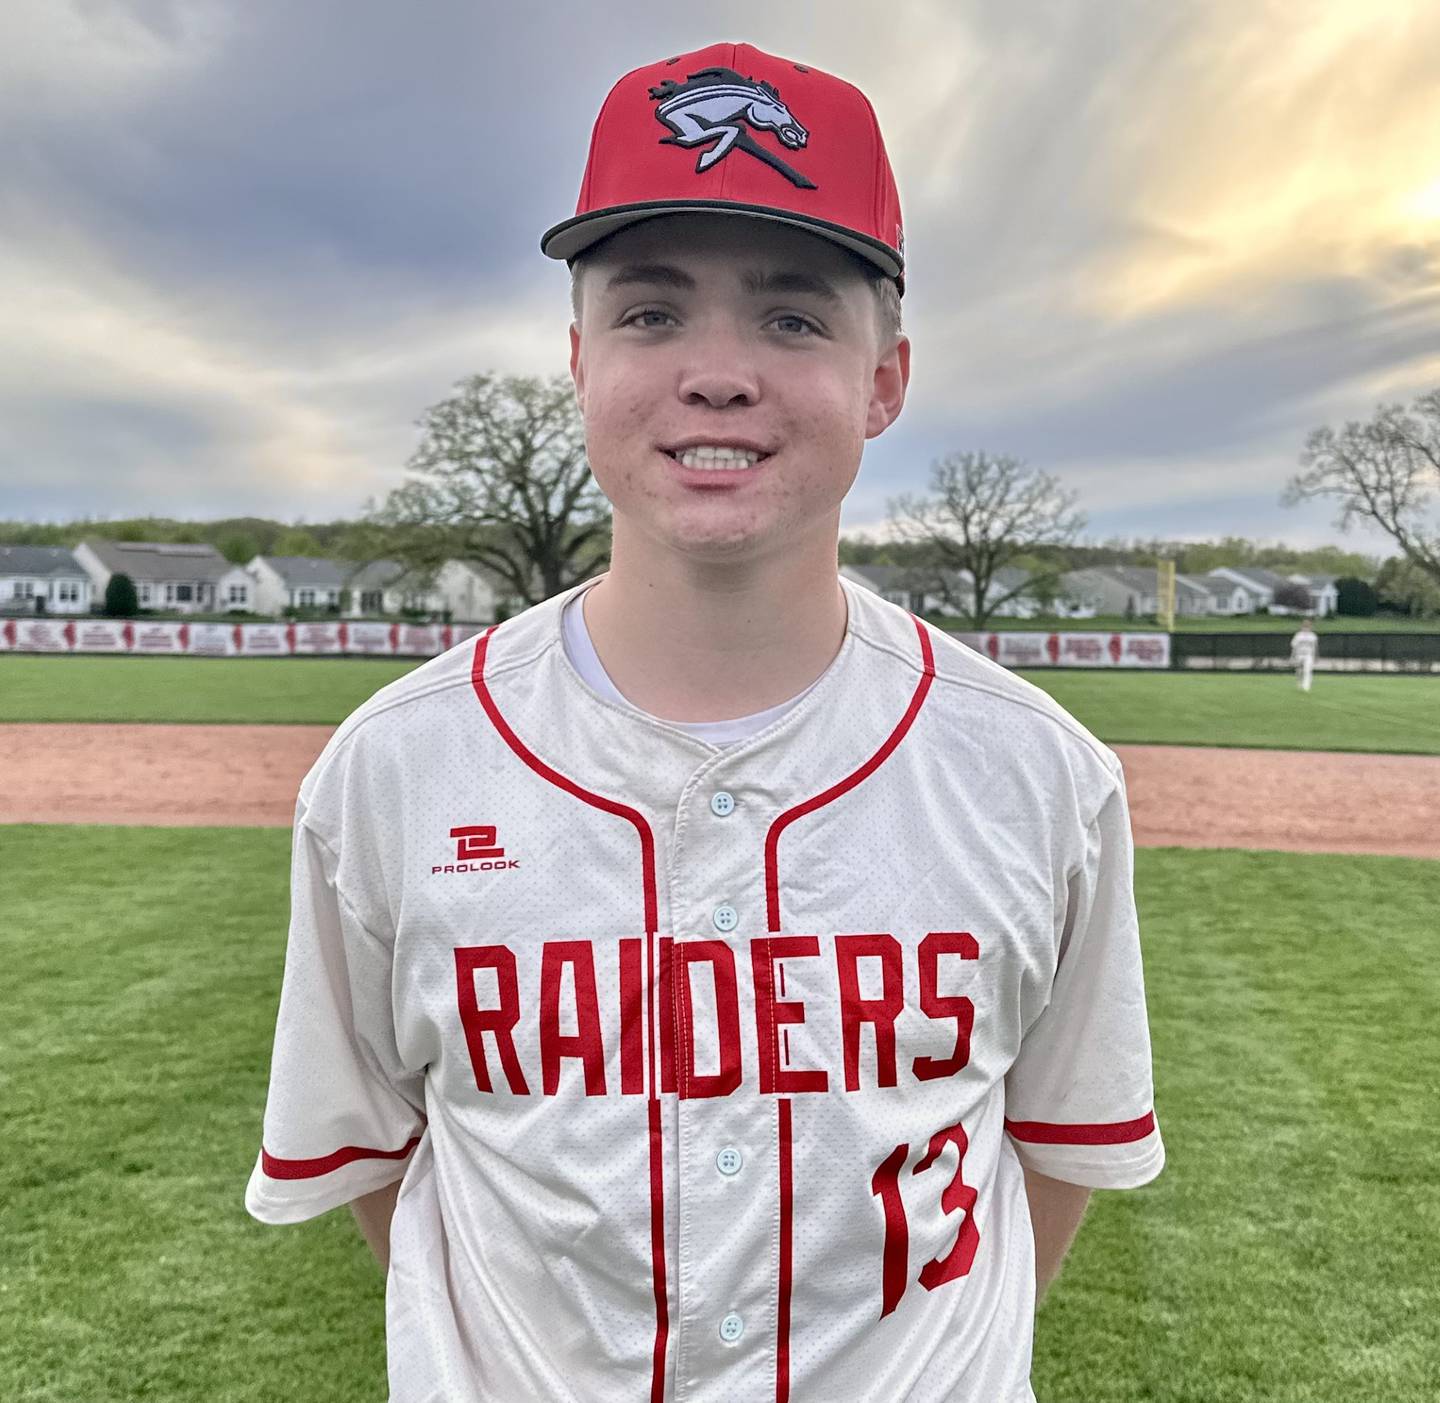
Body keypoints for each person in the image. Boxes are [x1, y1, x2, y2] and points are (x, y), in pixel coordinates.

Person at [245, 41, 1165, 1402]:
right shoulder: (394, 768)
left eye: (793, 317)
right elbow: (379, 1163)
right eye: (651, 312)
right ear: (576, 359)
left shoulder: (1038, 772)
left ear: (888, 378)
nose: (718, 372)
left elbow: (1054, 1152)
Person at [1290, 615, 1319, 691]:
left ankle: (1306, 686)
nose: (1306, 628)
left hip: (1308, 655)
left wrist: (1315, 657)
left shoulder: (1313, 636)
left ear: (1310, 627)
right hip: (1299, 654)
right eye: (1305, 626)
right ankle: (1299, 682)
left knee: (1307, 670)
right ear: (1302, 627)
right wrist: (1292, 657)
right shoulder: (1298, 635)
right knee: (1299, 671)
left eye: (1308, 626)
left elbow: (1315, 648)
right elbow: (1294, 646)